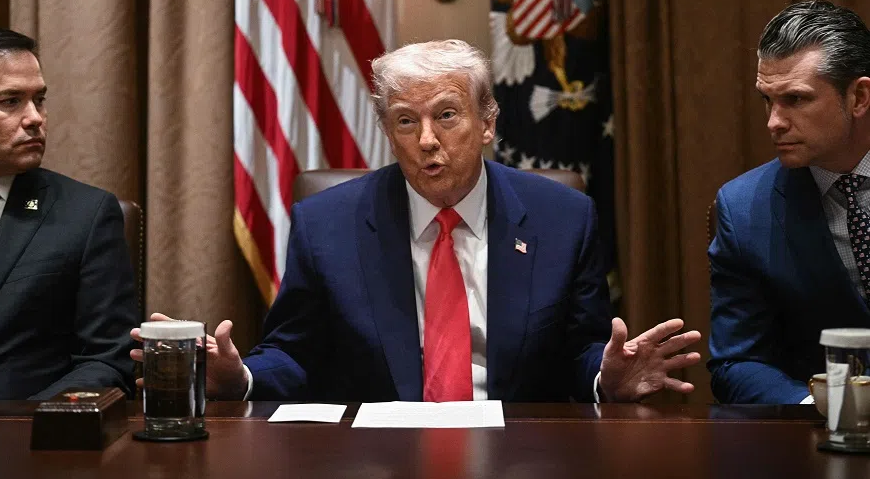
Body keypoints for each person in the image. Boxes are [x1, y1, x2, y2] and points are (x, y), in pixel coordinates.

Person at [135, 39, 700, 402]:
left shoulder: (563, 218)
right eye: (406, 121)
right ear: (388, 132)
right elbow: (295, 352)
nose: (427, 141)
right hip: (374, 457)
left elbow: (580, 352)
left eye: (447, 115)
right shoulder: (325, 223)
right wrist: (241, 379)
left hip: (518, 454)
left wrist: (608, 379)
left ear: (486, 124)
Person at [710, 0, 870, 404]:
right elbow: (737, 362)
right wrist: (820, 409)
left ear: (859, 97)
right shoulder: (745, 209)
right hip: (817, 442)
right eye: (768, 99)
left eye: (796, 100)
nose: (774, 122)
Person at [0, 26, 137, 400]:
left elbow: (108, 360)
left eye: (39, 100)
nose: (35, 118)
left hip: (23, 443)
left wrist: (29, 422)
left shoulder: (84, 215)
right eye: (10, 101)